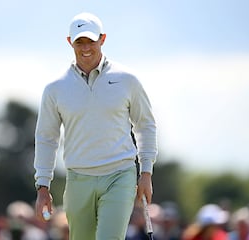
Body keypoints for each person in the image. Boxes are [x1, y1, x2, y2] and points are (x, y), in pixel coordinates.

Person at [33, 12, 158, 240]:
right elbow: (46, 138)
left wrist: (146, 172)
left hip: (119, 175)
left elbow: (146, 125)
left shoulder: (127, 80)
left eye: (91, 41)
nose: (86, 47)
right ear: (70, 42)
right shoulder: (55, 88)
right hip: (78, 177)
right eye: (79, 42)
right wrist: (43, 185)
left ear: (103, 39)